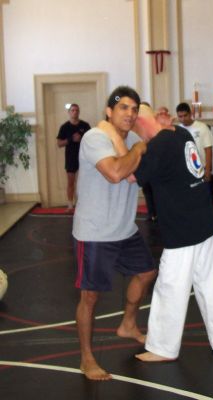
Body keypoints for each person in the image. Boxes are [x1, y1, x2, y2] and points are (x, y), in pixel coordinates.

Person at [123, 105, 213, 362]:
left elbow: (127, 176)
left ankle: (162, 349)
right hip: (207, 226)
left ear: (140, 124)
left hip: (183, 231)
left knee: (169, 288)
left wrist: (135, 148)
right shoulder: (182, 135)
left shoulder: (157, 147)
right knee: (209, 287)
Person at [72, 86, 157, 381]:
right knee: (90, 297)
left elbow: (137, 170)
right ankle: (86, 358)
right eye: (124, 108)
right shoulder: (95, 137)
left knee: (146, 272)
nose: (130, 114)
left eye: (134, 109)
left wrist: (141, 143)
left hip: (125, 229)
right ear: (109, 111)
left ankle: (128, 324)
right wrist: (137, 150)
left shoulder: (132, 138)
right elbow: (116, 173)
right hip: (95, 232)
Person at [176, 102, 213, 205]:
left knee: (203, 200)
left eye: (185, 115)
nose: (183, 119)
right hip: (184, 171)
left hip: (200, 170)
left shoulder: (202, 127)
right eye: (180, 116)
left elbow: (208, 149)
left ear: (190, 114)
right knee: (187, 201)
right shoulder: (177, 130)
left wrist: (208, 170)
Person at [56, 103, 91, 210]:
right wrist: (71, 139)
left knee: (85, 182)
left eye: (76, 110)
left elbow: (92, 140)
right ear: (69, 112)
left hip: (84, 157)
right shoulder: (64, 127)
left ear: (79, 112)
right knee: (70, 182)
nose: (74, 112)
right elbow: (59, 143)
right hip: (71, 157)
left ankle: (85, 204)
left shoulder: (85, 125)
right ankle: (70, 205)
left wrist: (82, 139)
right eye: (72, 110)